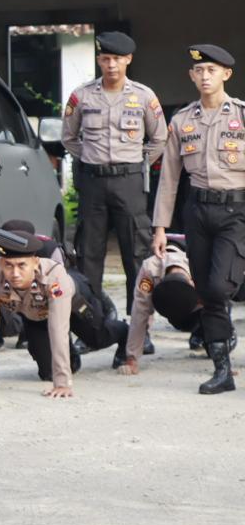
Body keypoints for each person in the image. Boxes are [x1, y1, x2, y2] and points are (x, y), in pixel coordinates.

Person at [153, 44, 245, 395]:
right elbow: (170, 178)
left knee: (220, 287)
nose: (205, 76)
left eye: (212, 70)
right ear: (191, 76)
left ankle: (228, 307)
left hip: (236, 211)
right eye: (199, 71)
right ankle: (223, 369)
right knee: (206, 291)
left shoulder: (241, 115)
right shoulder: (182, 120)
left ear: (226, 74)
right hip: (198, 211)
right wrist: (160, 226)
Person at [61, 31, 168, 325]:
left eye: (117, 59)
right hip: (93, 181)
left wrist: (138, 160)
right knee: (89, 254)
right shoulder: (81, 96)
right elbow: (68, 137)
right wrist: (91, 155)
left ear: (128, 60)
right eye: (106, 59)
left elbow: (159, 138)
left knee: (136, 254)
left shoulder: (144, 96)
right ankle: (91, 322)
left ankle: (139, 326)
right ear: (99, 60)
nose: (111, 65)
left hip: (130, 180)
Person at [0, 231, 79, 399]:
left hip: (74, 303)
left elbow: (58, 328)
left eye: (22, 265)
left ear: (35, 262)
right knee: (47, 372)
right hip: (36, 315)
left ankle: (120, 334)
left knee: (97, 336)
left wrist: (62, 383)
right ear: (0, 263)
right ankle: (69, 355)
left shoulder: (54, 274)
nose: (15, 273)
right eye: (8, 265)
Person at [117, 238, 201, 374]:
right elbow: (139, 313)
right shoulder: (149, 271)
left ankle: (208, 338)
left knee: (215, 302)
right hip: (172, 308)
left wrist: (222, 360)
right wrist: (131, 358)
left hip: (198, 309)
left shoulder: (200, 264)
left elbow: (219, 305)